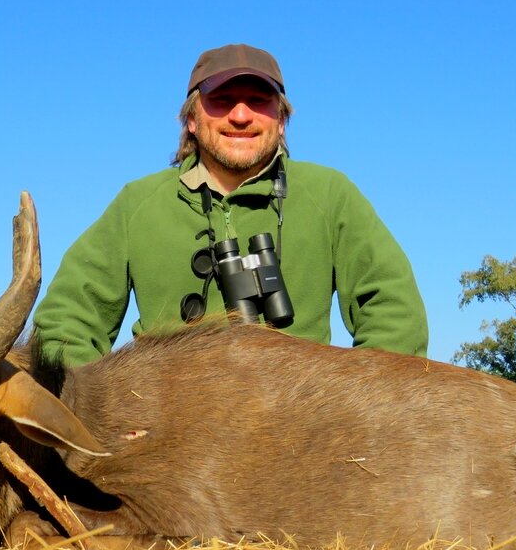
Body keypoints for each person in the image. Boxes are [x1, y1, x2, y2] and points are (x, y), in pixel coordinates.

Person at [33, 43, 427, 369]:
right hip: (167, 433)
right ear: (191, 119)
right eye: (221, 101)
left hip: (302, 431)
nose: (241, 116)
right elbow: (64, 323)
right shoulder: (137, 203)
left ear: (282, 120)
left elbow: (394, 312)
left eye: (259, 100)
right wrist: (102, 415)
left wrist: (353, 412)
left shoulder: (330, 194)